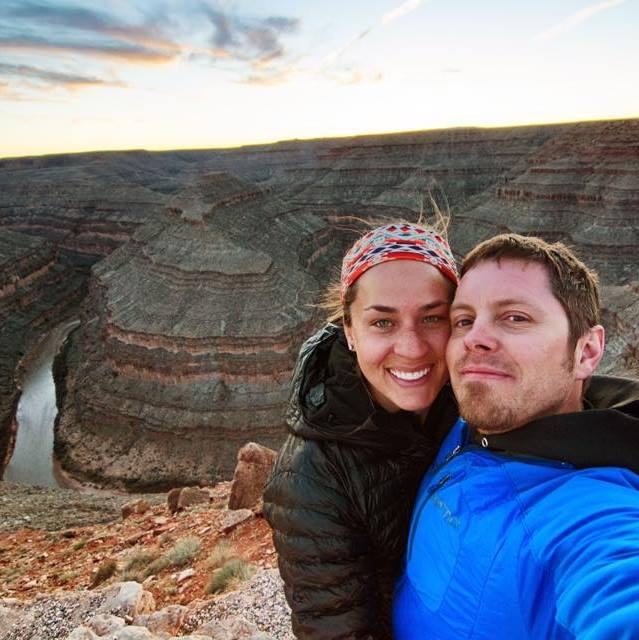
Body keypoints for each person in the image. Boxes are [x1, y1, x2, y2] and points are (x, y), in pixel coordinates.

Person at [393, 233, 639, 639]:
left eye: (515, 318)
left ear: (587, 352)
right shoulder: (467, 418)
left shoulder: (589, 515)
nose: (474, 338)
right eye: (464, 320)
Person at [263, 220, 461, 639]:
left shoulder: (475, 400)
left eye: (432, 318)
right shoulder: (313, 477)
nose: (411, 348)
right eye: (382, 323)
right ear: (349, 331)